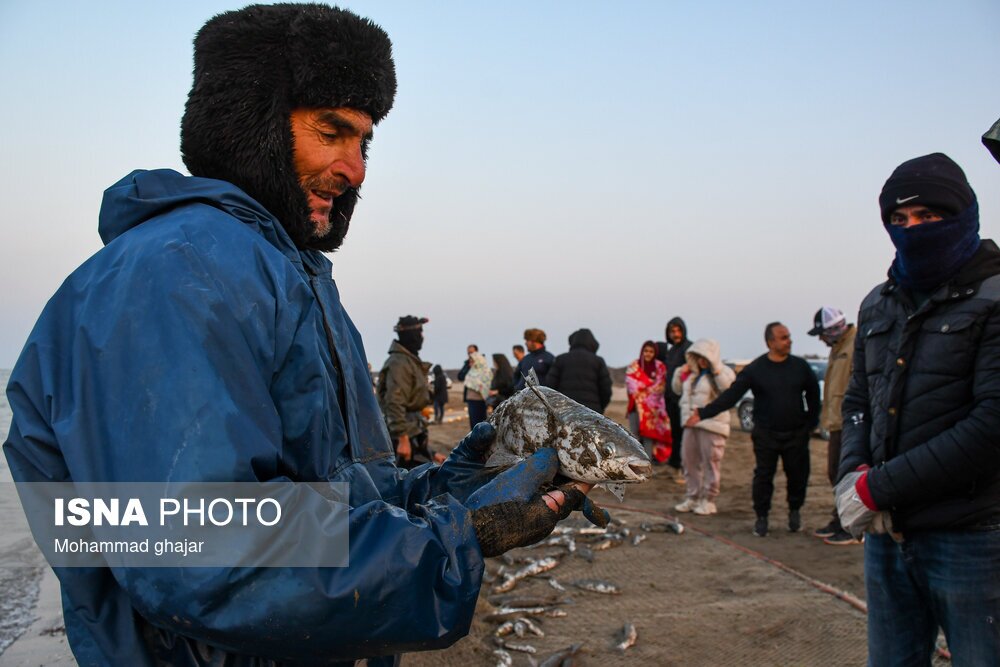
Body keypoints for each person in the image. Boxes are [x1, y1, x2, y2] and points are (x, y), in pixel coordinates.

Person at [1, 6, 594, 664]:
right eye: (331, 132)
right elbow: (191, 543)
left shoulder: (296, 279)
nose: (356, 169)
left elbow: (325, 501)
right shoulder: (175, 272)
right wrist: (437, 547)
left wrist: (444, 493)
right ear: (251, 122)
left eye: (364, 142)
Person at [836, 153, 1000, 664]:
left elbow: (992, 421)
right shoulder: (878, 302)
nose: (912, 230)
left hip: (973, 536)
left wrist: (876, 487)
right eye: (899, 220)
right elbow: (859, 399)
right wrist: (850, 475)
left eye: (928, 217)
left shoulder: (995, 297)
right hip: (888, 533)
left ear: (963, 215)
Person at [689, 322, 819, 537]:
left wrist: (810, 423)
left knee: (798, 476)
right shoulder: (756, 369)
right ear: (770, 342)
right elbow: (732, 395)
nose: (789, 340)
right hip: (766, 434)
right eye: (784, 337)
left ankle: (795, 511)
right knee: (763, 477)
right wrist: (704, 413)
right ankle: (762, 517)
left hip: (796, 434)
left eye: (789, 336)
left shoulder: (800, 367)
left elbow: (813, 395)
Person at [805, 307, 859, 546]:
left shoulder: (856, 345)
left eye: (822, 333)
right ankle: (839, 519)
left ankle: (852, 527)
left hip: (850, 423)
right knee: (835, 474)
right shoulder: (838, 349)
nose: (820, 339)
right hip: (836, 422)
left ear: (833, 329)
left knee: (847, 476)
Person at [672, 339, 735, 516]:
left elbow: (729, 391)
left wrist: (716, 369)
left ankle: (709, 499)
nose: (700, 360)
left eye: (704, 356)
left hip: (712, 426)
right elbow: (677, 390)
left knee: (711, 462)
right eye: (697, 356)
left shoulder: (723, 372)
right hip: (690, 423)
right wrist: (679, 373)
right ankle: (692, 496)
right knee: (688, 461)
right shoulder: (692, 375)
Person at [377, 315, 433, 467]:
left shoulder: (410, 359)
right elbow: (394, 401)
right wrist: (402, 438)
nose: (422, 337)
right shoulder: (399, 363)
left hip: (414, 429)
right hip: (403, 435)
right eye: (419, 333)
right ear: (411, 335)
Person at [545, 328, 613, 414]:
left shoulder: (561, 359)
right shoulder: (598, 361)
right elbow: (606, 390)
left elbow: (550, 386)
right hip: (592, 411)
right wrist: (599, 407)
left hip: (565, 410)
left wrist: (556, 406)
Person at [625, 341, 672, 459]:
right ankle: (635, 462)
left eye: (651, 351)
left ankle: (647, 463)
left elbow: (660, 387)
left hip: (652, 411)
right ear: (642, 351)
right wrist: (646, 391)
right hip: (634, 408)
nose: (648, 354)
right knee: (634, 436)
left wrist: (644, 393)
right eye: (646, 351)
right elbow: (631, 386)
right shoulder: (633, 366)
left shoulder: (660, 367)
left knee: (649, 437)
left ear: (655, 353)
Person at [658, 317, 692, 477]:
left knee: (685, 436)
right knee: (675, 434)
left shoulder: (689, 349)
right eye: (672, 331)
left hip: (684, 400)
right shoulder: (671, 351)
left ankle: (682, 469)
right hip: (670, 399)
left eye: (678, 330)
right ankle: (673, 465)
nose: (675, 334)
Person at [463, 350, 493, 428]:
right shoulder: (471, 371)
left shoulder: (485, 371)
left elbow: (486, 386)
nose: (470, 364)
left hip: (480, 401)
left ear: (478, 361)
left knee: (479, 423)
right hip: (471, 401)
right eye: (470, 362)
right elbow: (461, 376)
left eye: (472, 362)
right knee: (473, 424)